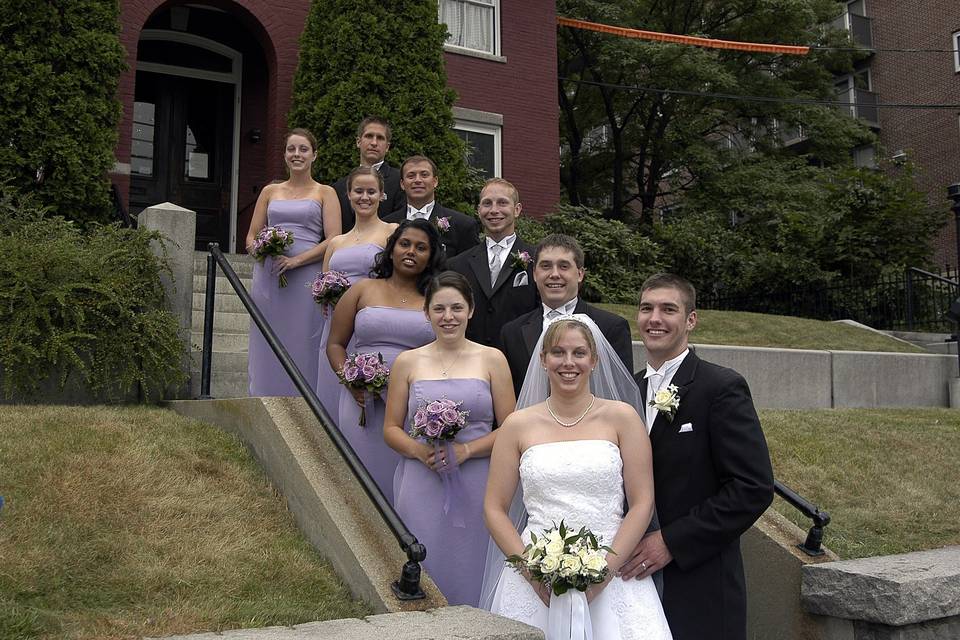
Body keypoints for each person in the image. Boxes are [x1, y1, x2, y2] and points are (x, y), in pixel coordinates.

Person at [482, 317, 672, 639]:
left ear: (594, 360)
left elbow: (642, 503)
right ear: (543, 360)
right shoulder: (517, 425)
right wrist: (532, 574)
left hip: (612, 568)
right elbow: (494, 508)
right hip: (536, 570)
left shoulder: (622, 417)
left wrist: (603, 576)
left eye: (579, 353)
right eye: (558, 352)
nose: (568, 363)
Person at [619, 273, 774, 640]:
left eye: (668, 309)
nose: (654, 318)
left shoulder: (720, 387)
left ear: (691, 320)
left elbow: (752, 487)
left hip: (699, 581)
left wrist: (672, 541)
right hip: (630, 581)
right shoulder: (626, 389)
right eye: (646, 308)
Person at [383, 271, 515, 606]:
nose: (448, 317)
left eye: (456, 308)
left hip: (478, 477)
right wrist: (419, 450)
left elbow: (512, 429)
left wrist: (468, 449)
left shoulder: (493, 359)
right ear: (426, 313)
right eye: (439, 309)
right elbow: (391, 429)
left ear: (470, 310)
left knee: (472, 559)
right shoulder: (407, 362)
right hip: (422, 475)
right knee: (423, 551)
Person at [326, 219, 441, 502]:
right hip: (362, 403)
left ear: (430, 258)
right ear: (391, 250)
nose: (411, 251)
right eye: (405, 244)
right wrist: (350, 381)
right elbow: (335, 344)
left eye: (421, 247)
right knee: (361, 477)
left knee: (404, 482)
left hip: (414, 404)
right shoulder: (362, 289)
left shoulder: (436, 300)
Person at [246, 128, 342, 396]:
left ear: (314, 155)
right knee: (268, 336)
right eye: (291, 149)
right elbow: (251, 236)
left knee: (304, 337)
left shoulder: (325, 192)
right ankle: (265, 394)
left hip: (306, 274)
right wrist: (262, 250)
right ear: (285, 155)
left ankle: (305, 397)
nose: (297, 154)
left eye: (303, 149)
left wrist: (297, 260)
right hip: (271, 274)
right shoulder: (269, 191)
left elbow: (334, 238)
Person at [500, 234, 633, 397]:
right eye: (546, 266)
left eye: (564, 266)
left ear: (580, 274)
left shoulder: (611, 327)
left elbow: (621, 395)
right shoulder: (512, 332)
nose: (554, 274)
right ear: (534, 274)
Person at [314, 166, 398, 423]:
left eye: (371, 191)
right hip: (336, 329)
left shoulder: (391, 232)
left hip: (370, 325)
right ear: (348, 195)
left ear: (381, 195)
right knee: (331, 401)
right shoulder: (336, 242)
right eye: (358, 191)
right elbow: (323, 282)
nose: (365, 197)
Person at [447, 178, 538, 348]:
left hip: (521, 357)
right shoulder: (457, 265)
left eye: (502, 203)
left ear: (517, 210)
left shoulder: (538, 260)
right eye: (487, 203)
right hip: (470, 358)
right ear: (479, 210)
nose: (494, 210)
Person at [384, 155, 480, 259]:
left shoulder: (463, 226)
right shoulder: (386, 224)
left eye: (424, 175)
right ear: (402, 184)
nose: (417, 180)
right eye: (411, 176)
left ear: (435, 181)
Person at [332, 116, 406, 231]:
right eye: (369, 136)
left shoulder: (400, 182)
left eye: (380, 138)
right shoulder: (338, 187)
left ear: (387, 147)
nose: (374, 143)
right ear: (358, 142)